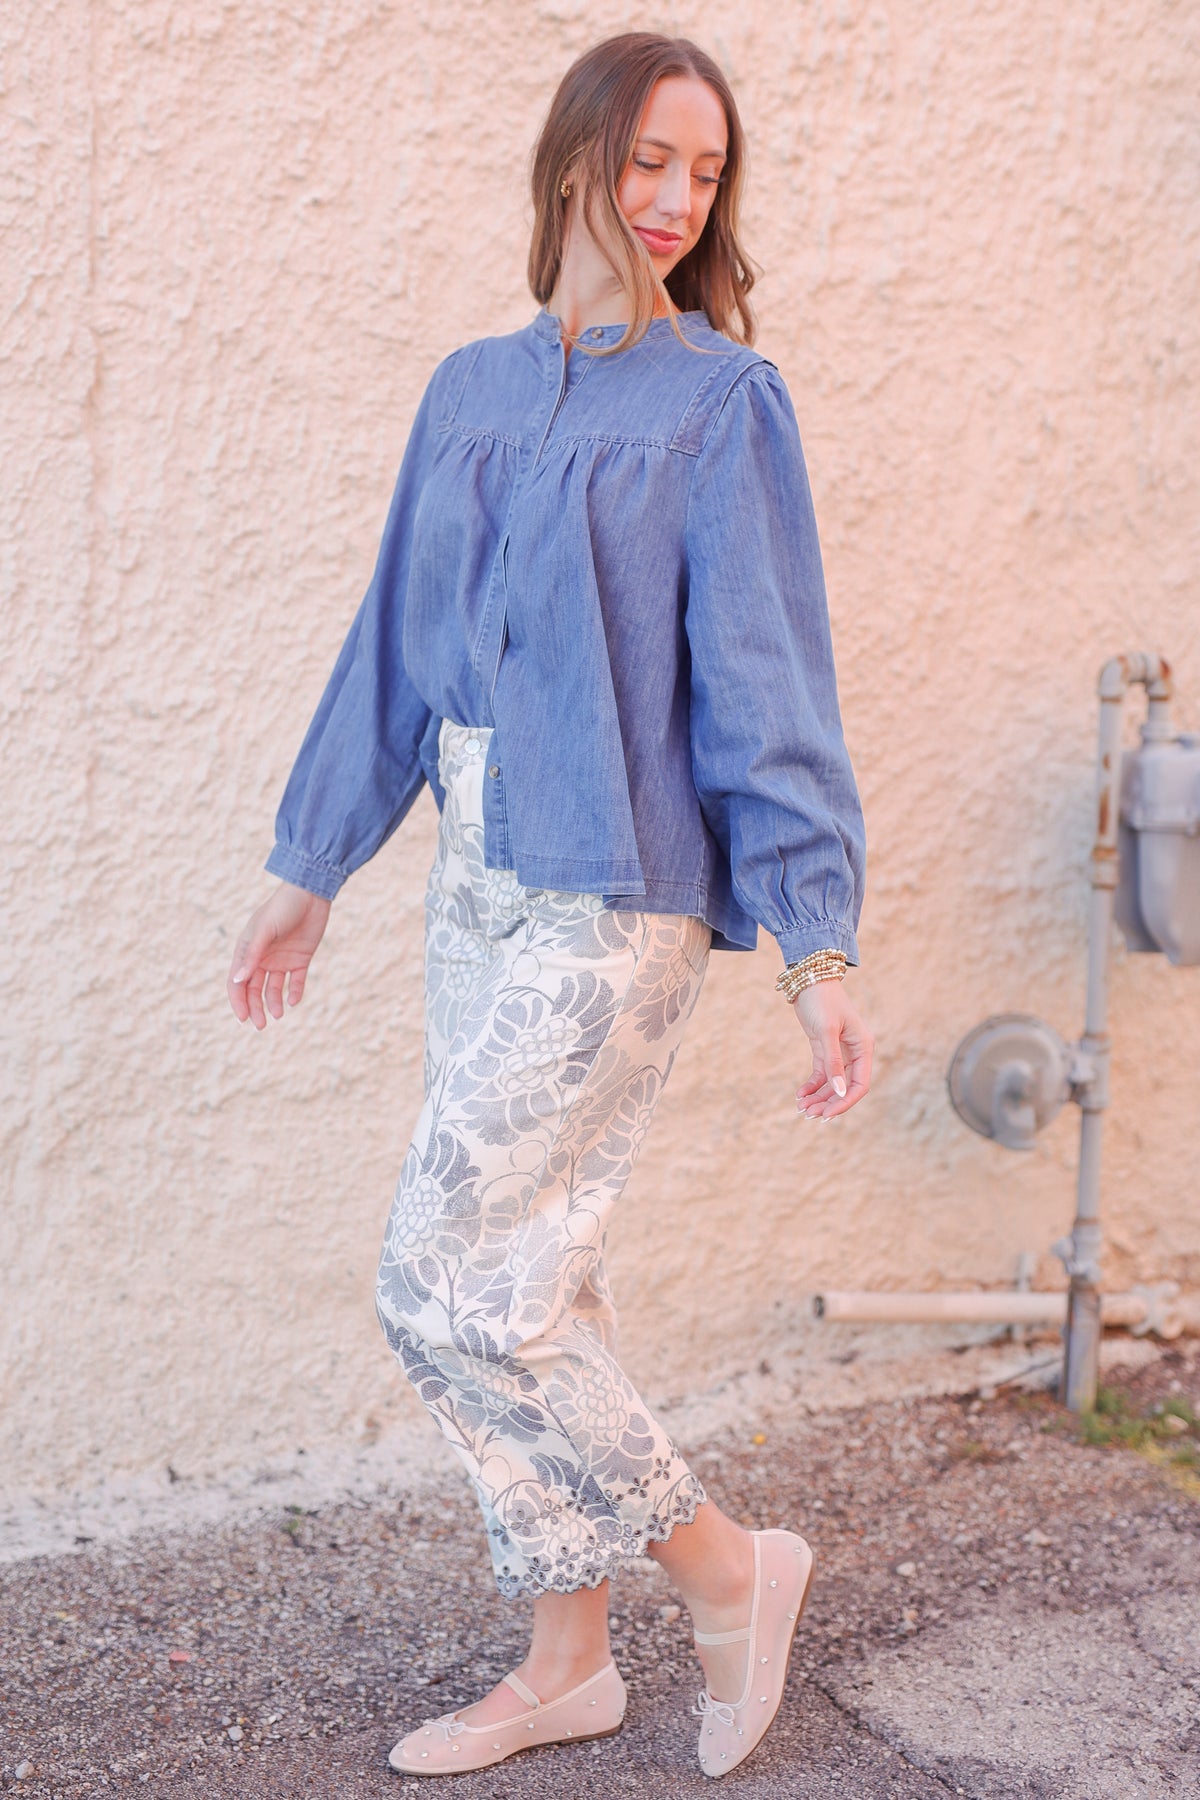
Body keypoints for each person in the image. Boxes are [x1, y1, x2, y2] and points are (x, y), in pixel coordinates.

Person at [227, 29, 872, 1782]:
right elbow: (393, 655)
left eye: (706, 172)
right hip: (475, 871)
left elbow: (767, 688)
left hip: (620, 891)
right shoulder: (471, 392)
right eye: (648, 160)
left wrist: (817, 943)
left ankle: (732, 1566)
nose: (675, 200)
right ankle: (567, 1661)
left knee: (442, 1277)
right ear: (575, 157)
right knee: (536, 1276)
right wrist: (312, 870)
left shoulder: (723, 404)